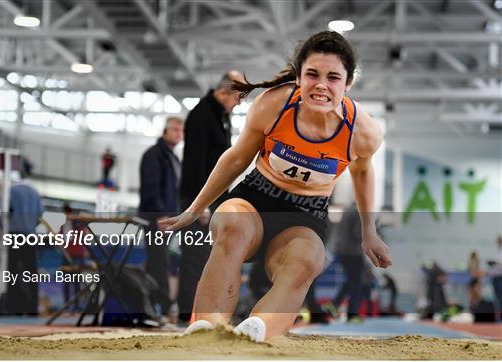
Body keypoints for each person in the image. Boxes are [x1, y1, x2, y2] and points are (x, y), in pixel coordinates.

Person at [161, 30, 391, 342]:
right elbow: (236, 158)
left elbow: (363, 173)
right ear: (299, 76)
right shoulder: (273, 105)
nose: (321, 85)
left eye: (333, 77)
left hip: (305, 216)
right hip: (255, 201)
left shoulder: (363, 131)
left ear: (347, 84)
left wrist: (369, 232)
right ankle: (204, 331)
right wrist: (195, 208)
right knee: (231, 225)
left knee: (308, 261)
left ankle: (256, 333)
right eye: (312, 74)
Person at [176, 70, 245, 322]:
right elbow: (194, 162)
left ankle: (209, 313)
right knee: (195, 256)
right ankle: (187, 315)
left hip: (214, 199)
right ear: (225, 91)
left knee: (213, 256)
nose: (239, 103)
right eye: (238, 97)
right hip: (198, 199)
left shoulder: (221, 117)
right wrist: (199, 204)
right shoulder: (202, 115)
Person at [139, 116, 184, 318]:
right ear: (164, 131)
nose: (178, 133)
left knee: (159, 263)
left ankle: (150, 305)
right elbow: (151, 188)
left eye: (180, 130)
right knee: (158, 262)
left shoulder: (174, 158)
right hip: (156, 219)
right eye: (174, 129)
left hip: (169, 220)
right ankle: (163, 307)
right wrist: (159, 217)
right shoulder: (154, 154)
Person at [5, 159, 43, 315]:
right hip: (30, 235)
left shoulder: (11, 190)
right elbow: (40, 215)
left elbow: (7, 213)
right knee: (31, 273)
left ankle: (14, 308)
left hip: (14, 235)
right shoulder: (35, 192)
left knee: (13, 273)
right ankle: (32, 308)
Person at [326, 203, 367, 323]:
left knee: (351, 281)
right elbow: (357, 234)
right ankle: (352, 314)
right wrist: (371, 233)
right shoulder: (359, 212)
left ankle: (334, 304)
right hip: (353, 252)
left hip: (343, 250)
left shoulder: (347, 210)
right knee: (357, 282)